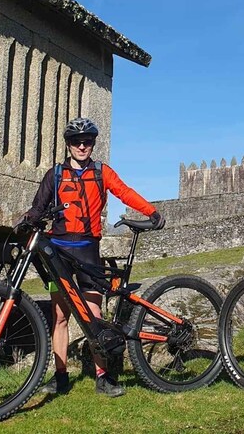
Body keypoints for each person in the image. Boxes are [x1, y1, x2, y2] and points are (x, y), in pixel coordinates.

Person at [20, 117, 164, 397]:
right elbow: (38, 207)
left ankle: (103, 377)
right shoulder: (55, 174)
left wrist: (151, 211)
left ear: (93, 144)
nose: (82, 146)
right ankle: (59, 376)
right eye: (77, 142)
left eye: (87, 141)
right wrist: (25, 221)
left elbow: (125, 193)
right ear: (69, 145)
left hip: (88, 250)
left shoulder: (102, 172)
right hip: (57, 251)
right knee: (59, 316)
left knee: (94, 314)